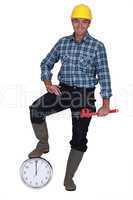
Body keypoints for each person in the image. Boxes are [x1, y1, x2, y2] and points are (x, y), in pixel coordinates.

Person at [28, 4, 112, 191]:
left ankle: (68, 178)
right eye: (76, 20)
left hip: (84, 95)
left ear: (89, 23)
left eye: (84, 21)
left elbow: (104, 75)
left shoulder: (97, 46)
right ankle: (43, 145)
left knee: (79, 138)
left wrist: (106, 103)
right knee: (36, 109)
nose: (80, 24)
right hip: (64, 90)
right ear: (72, 21)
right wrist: (48, 84)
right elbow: (46, 63)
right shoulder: (63, 42)